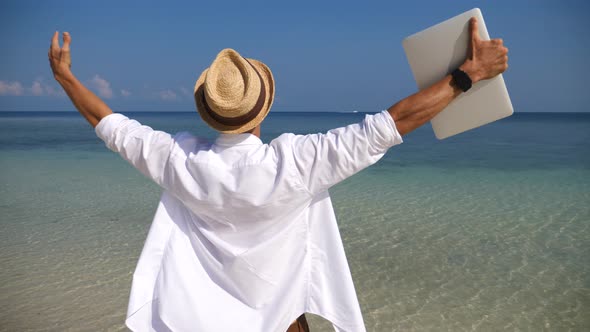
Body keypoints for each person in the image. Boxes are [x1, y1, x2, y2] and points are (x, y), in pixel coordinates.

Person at [49, 17, 508, 332]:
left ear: (210, 113)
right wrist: (465, 77)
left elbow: (111, 127)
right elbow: (391, 124)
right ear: (260, 109)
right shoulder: (295, 163)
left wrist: (66, 78)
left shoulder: (179, 161)